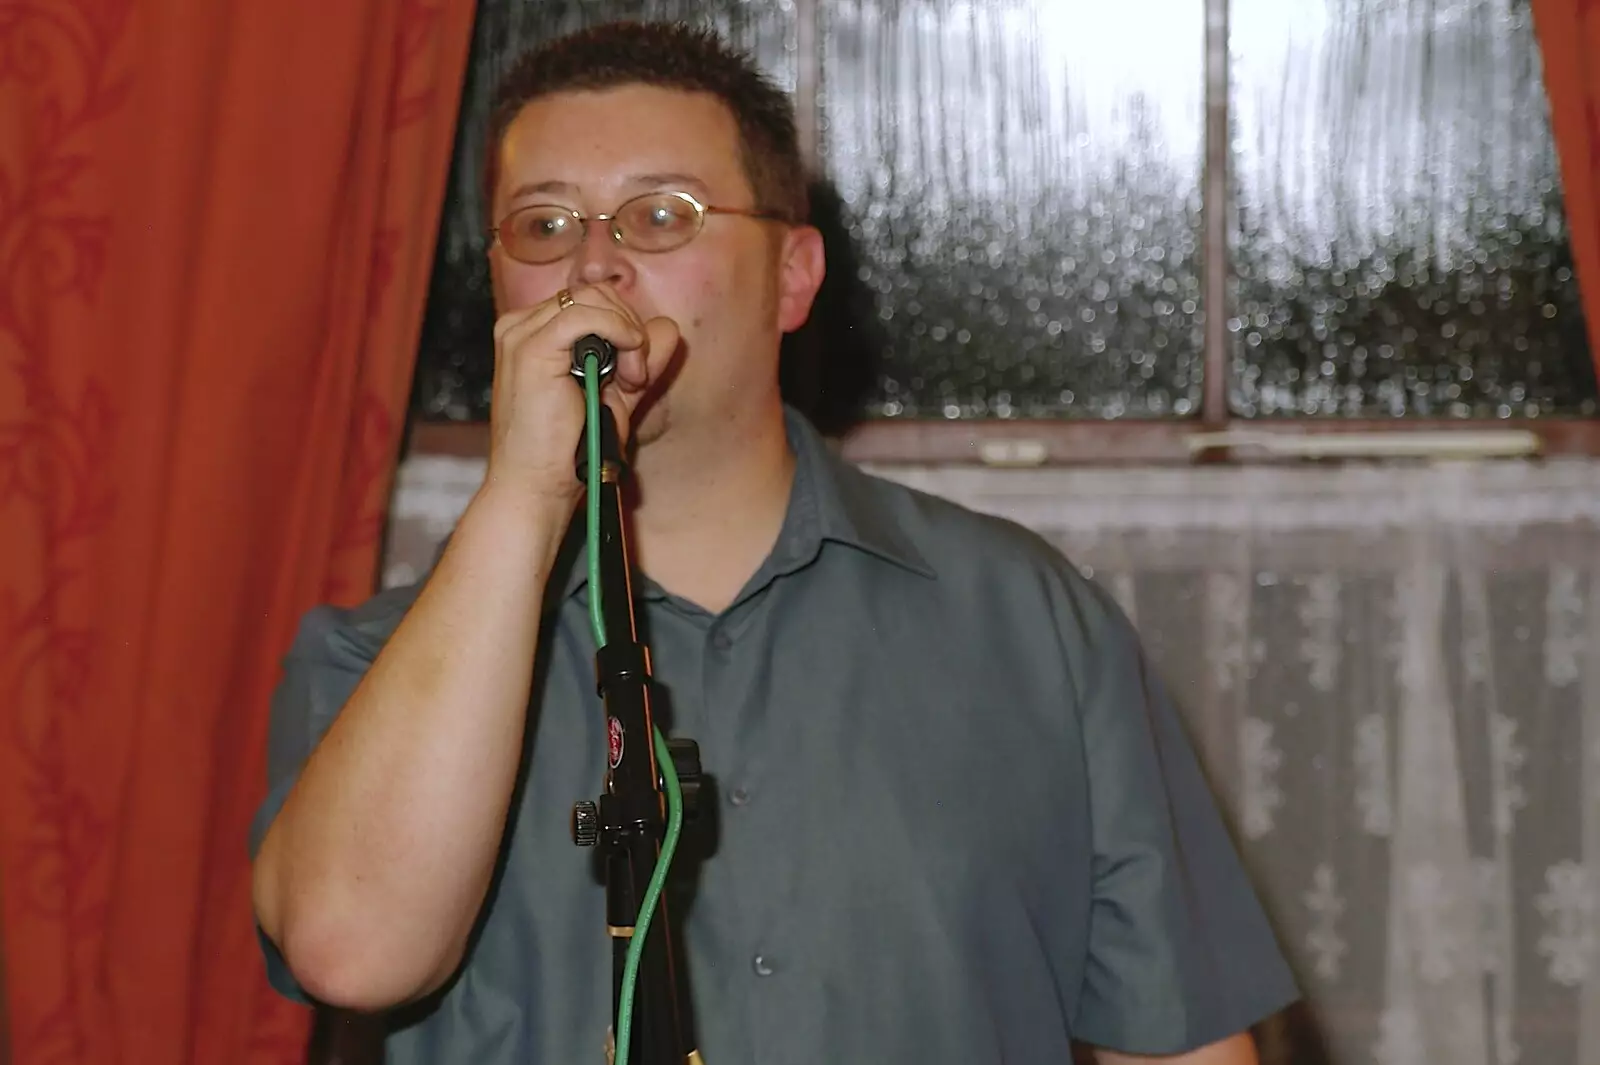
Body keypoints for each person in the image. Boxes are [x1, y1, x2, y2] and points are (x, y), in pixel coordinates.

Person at [250, 19, 1300, 1065]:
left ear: (793, 277)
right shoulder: (377, 662)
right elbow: (353, 953)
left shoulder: (1024, 619)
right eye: (542, 226)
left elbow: (1178, 1046)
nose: (597, 264)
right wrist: (527, 491)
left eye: (660, 216)